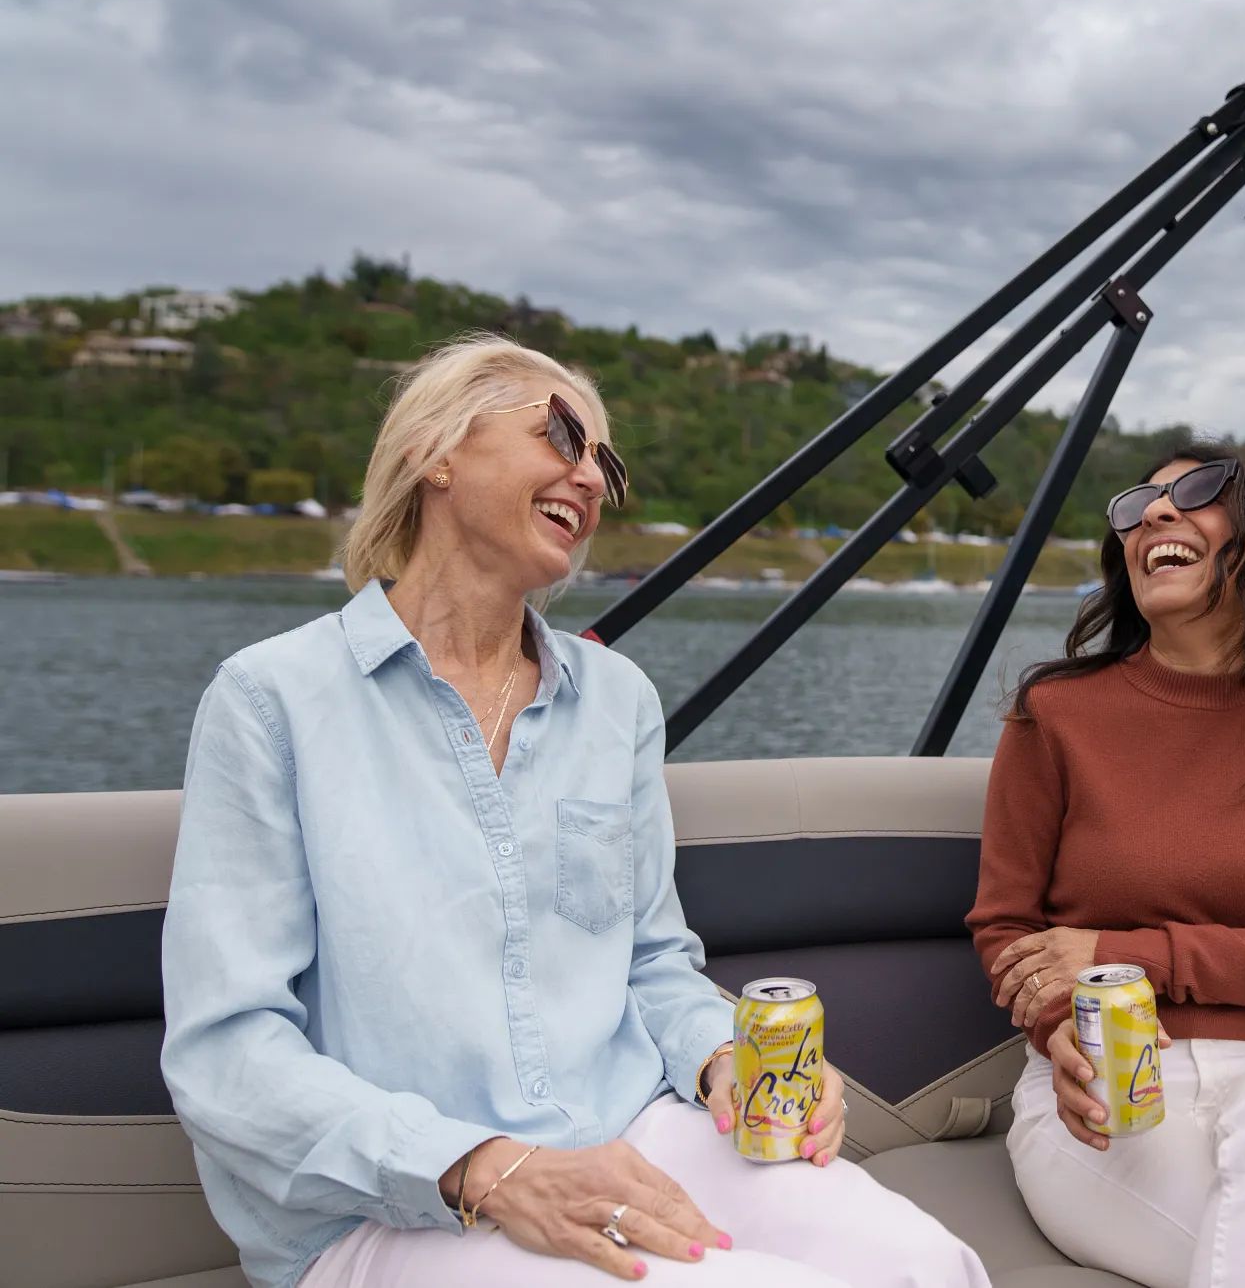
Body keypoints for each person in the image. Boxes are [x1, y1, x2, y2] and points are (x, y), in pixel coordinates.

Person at [161, 335, 990, 1288]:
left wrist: (726, 1059)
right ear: (437, 450)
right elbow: (229, 1051)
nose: (591, 476)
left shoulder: (617, 700)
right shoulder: (273, 698)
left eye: (607, 460)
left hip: (625, 1126)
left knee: (926, 1263)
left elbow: (649, 959)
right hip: (389, 1205)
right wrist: (489, 1167)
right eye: (562, 435)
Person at [966, 444, 1245, 1288]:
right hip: (1107, 1095)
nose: (1154, 513)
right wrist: (1053, 1029)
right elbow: (1006, 927)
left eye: (1195, 494)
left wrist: (1125, 950)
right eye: (1139, 503)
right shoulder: (1056, 713)